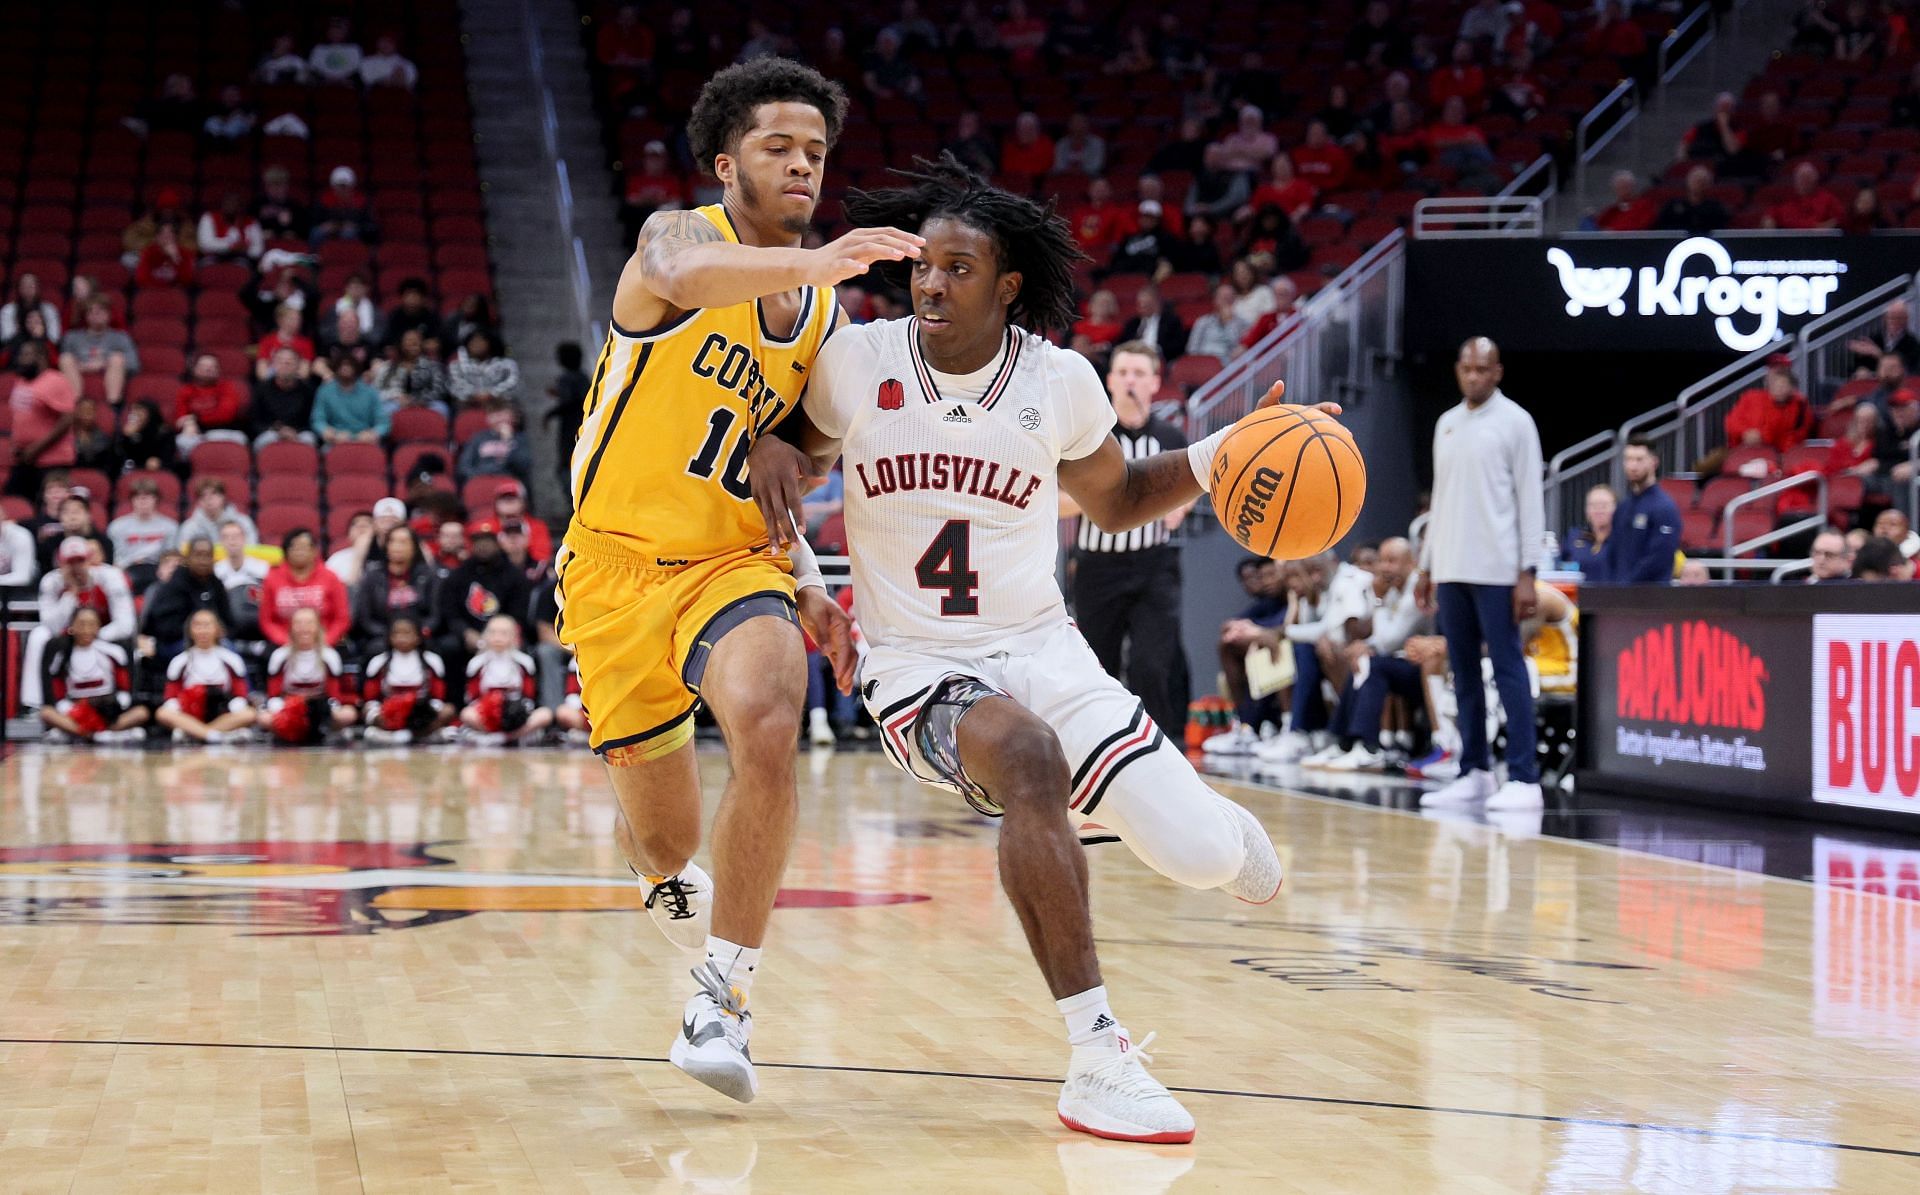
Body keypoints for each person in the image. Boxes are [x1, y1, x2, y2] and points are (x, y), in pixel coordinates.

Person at [747, 154, 1318, 1143]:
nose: (930, 282)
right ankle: (1097, 1056)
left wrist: (1226, 453)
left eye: (957, 269)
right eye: (922, 265)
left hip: (1044, 649)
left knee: (1194, 853)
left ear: (1007, 285)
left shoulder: (1059, 382)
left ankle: (1222, 834)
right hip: (914, 666)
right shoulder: (859, 360)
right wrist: (772, 445)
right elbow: (795, 451)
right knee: (1026, 757)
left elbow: (1120, 495)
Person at [1415, 337, 1545, 811]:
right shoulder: (1447, 423)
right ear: (1457, 369)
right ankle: (1475, 770)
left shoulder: (1516, 423)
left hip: (1497, 570)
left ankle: (1526, 777)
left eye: (1482, 369)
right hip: (1450, 566)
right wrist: (1427, 565)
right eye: (1466, 368)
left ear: (1498, 373)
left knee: (1507, 668)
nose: (1473, 376)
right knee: (1462, 671)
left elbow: (1531, 500)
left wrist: (1527, 572)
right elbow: (1441, 500)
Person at [1060, 342, 1192, 739]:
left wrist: (1178, 505)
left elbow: (1187, 490)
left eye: (1139, 373)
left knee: (1153, 664)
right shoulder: (1090, 438)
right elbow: (1056, 501)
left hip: (1154, 565)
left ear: (1155, 383)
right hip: (1098, 567)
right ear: (1110, 381)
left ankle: (1164, 752)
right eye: (1123, 373)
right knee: (1099, 665)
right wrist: (1108, 499)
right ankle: (1097, 749)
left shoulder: (1170, 436)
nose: (1130, 380)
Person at [20, 538, 139, 710]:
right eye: (70, 563)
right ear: (60, 564)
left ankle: (126, 702)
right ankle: (37, 704)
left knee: (126, 643)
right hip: (68, 636)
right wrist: (70, 595)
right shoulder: (51, 581)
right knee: (38, 636)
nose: (76, 568)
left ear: (90, 560)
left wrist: (91, 635)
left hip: (105, 634)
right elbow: (51, 626)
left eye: (81, 561)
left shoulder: (110, 576)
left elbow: (126, 623)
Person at [39, 606, 148, 743]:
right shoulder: (62, 655)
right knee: (46, 713)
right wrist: (74, 710)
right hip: (76, 711)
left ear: (99, 627)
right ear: (72, 627)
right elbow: (58, 694)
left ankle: (81, 733)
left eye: (91, 624)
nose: (86, 630)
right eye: (81, 624)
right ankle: (95, 735)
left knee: (141, 712)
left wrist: (112, 707)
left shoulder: (113, 653)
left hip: (107, 711)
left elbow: (124, 690)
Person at [156, 609, 256, 743]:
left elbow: (240, 694)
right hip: (190, 713)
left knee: (250, 714)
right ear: (190, 630)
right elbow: (171, 696)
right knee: (162, 713)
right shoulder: (180, 661)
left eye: (207, 625)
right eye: (198, 625)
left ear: (217, 629)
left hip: (222, 713)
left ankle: (195, 733)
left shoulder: (231, 659)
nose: (203, 631)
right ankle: (216, 735)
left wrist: (235, 705)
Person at [264, 607, 358, 744]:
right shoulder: (280, 656)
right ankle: (288, 734)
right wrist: (285, 710)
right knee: (264, 718)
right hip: (288, 710)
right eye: (299, 623)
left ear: (318, 627)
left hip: (321, 710)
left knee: (348, 714)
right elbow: (273, 695)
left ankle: (326, 731)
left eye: (309, 623)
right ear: (291, 628)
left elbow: (335, 696)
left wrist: (327, 709)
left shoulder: (329, 656)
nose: (304, 629)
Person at [459, 615, 554, 746]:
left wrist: (517, 712)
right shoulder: (476, 664)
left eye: (503, 633)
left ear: (514, 636)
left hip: (517, 713)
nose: (498, 637)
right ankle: (500, 736)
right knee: (467, 714)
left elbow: (529, 696)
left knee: (545, 714)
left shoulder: (525, 662)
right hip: (487, 714)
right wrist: (490, 709)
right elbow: (472, 698)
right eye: (493, 633)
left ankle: (508, 737)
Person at [359, 616, 455, 744]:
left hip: (421, 713)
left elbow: (438, 697)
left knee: (448, 710)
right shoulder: (378, 662)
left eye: (407, 633)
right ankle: (401, 737)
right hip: (390, 713)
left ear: (418, 637)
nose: (402, 638)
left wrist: (428, 712)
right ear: (390, 637)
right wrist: (379, 714)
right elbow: (371, 699)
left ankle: (415, 736)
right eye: (397, 634)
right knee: (367, 711)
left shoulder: (432, 661)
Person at [140, 538, 234, 657]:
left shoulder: (216, 584)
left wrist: (219, 631)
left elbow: (229, 622)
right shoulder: (174, 584)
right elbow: (164, 628)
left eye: (207, 556)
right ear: (187, 558)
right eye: (198, 555)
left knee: (230, 651)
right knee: (205, 652)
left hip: (211, 641)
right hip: (174, 642)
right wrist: (198, 633)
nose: (203, 561)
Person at [8, 341, 79, 495]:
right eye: (21, 355)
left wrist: (36, 448)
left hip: (52, 461)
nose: (21, 359)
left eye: (26, 355)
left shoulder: (55, 380)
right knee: (14, 502)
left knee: (48, 509)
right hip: (24, 459)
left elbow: (67, 419)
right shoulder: (21, 380)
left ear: (41, 358)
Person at [1722, 355, 1812, 458]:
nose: (1773, 372)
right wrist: (1745, 433)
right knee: (1713, 461)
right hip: (1740, 450)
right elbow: (1731, 421)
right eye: (1771, 368)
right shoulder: (1751, 396)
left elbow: (1792, 437)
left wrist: (1762, 438)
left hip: (1774, 455)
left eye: (1779, 369)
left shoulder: (1799, 405)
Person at [59, 298, 140, 406]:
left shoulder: (120, 337)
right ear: (86, 316)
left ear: (109, 314)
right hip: (78, 376)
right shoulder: (72, 337)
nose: (95, 314)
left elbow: (134, 364)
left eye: (100, 311)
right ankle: (75, 404)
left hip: (110, 376)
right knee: (66, 358)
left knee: (117, 358)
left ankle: (113, 406)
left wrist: (104, 364)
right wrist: (84, 367)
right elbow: (61, 366)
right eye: (91, 311)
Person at [109, 479, 180, 593]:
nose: (142, 501)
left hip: (157, 569)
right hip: (128, 569)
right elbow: (117, 560)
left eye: (147, 496)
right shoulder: (117, 526)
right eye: (138, 497)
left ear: (155, 499)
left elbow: (170, 557)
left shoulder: (170, 526)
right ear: (132, 500)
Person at [456, 400, 534, 488]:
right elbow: (464, 466)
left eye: (501, 414)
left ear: (513, 416)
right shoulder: (478, 438)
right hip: (481, 481)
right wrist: (479, 476)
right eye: (493, 415)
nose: (497, 419)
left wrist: (508, 439)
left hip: (509, 483)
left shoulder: (521, 439)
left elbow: (523, 465)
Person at [311, 356, 389, 444]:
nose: (345, 368)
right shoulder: (324, 391)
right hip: (336, 439)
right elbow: (318, 419)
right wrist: (326, 431)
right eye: (342, 365)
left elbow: (383, 422)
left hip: (365, 439)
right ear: (336, 369)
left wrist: (374, 433)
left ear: (356, 369)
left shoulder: (370, 392)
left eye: (349, 365)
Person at [545, 342, 590, 491]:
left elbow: (570, 401)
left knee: (566, 465)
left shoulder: (565, 379)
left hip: (570, 427)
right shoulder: (584, 377)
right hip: (584, 423)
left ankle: (572, 497)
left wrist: (549, 414)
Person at [178, 478, 260, 547]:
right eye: (203, 496)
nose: (208, 499)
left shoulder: (243, 522)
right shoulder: (189, 527)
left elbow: (252, 549)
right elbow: (184, 556)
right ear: (198, 501)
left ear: (223, 497)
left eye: (214, 493)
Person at [1117, 286, 1187, 366]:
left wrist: (1157, 350)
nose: (1142, 306)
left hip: (1159, 359)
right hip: (1134, 358)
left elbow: (1178, 346)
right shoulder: (1132, 323)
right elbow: (1122, 344)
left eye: (1146, 304)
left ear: (1157, 303)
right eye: (1140, 304)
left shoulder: (1171, 321)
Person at [1656, 167, 1731, 236]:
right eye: (1696, 180)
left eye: (1703, 181)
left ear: (1709, 185)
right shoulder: (1672, 206)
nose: (1699, 184)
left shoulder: (1716, 208)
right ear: (1688, 181)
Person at [1560, 485, 1616, 575]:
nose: (1599, 510)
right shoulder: (1573, 536)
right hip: (1578, 588)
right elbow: (1559, 566)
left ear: (1616, 509)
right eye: (1593, 506)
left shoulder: (1623, 539)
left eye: (1604, 506)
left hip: (1612, 589)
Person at [1187, 284, 1250, 361]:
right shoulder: (1203, 322)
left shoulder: (1243, 324)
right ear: (1215, 300)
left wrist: (1229, 322)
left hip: (1229, 366)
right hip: (1204, 363)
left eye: (1230, 299)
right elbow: (1192, 349)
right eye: (1223, 298)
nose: (1226, 302)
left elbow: (1237, 348)